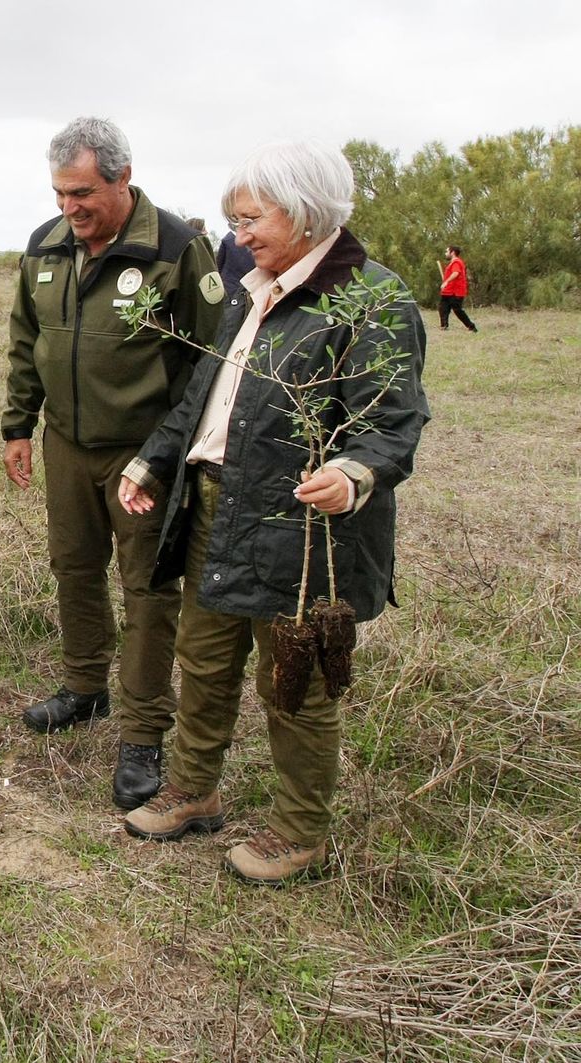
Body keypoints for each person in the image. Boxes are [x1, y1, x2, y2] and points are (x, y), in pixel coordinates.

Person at [117, 141, 429, 884]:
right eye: (235, 218)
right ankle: (193, 791)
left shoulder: (373, 301)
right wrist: (156, 456)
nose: (239, 232)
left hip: (300, 526)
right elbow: (207, 395)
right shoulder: (252, 287)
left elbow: (393, 422)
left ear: (306, 211)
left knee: (295, 682)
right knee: (207, 657)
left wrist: (354, 471)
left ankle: (300, 833)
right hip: (214, 508)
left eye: (252, 217)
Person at [1, 116, 225, 810]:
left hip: (144, 452)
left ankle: (144, 731)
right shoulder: (44, 247)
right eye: (60, 193)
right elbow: (25, 338)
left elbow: (210, 366)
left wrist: (165, 455)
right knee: (72, 567)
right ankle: (84, 686)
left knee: (147, 589)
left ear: (122, 180)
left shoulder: (177, 250)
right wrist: (19, 423)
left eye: (84, 194)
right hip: (66, 443)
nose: (70, 209)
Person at [438, 245, 478, 331]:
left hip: (455, 292)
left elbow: (456, 273)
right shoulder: (453, 263)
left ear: (452, 253)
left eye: (447, 251)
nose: (445, 254)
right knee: (443, 308)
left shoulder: (456, 262)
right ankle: (444, 326)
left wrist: (446, 282)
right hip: (448, 291)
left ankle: (471, 326)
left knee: (458, 310)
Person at [216, 230, 256, 295]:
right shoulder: (256, 241)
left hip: (230, 286)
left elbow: (218, 265)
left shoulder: (228, 239)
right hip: (248, 286)